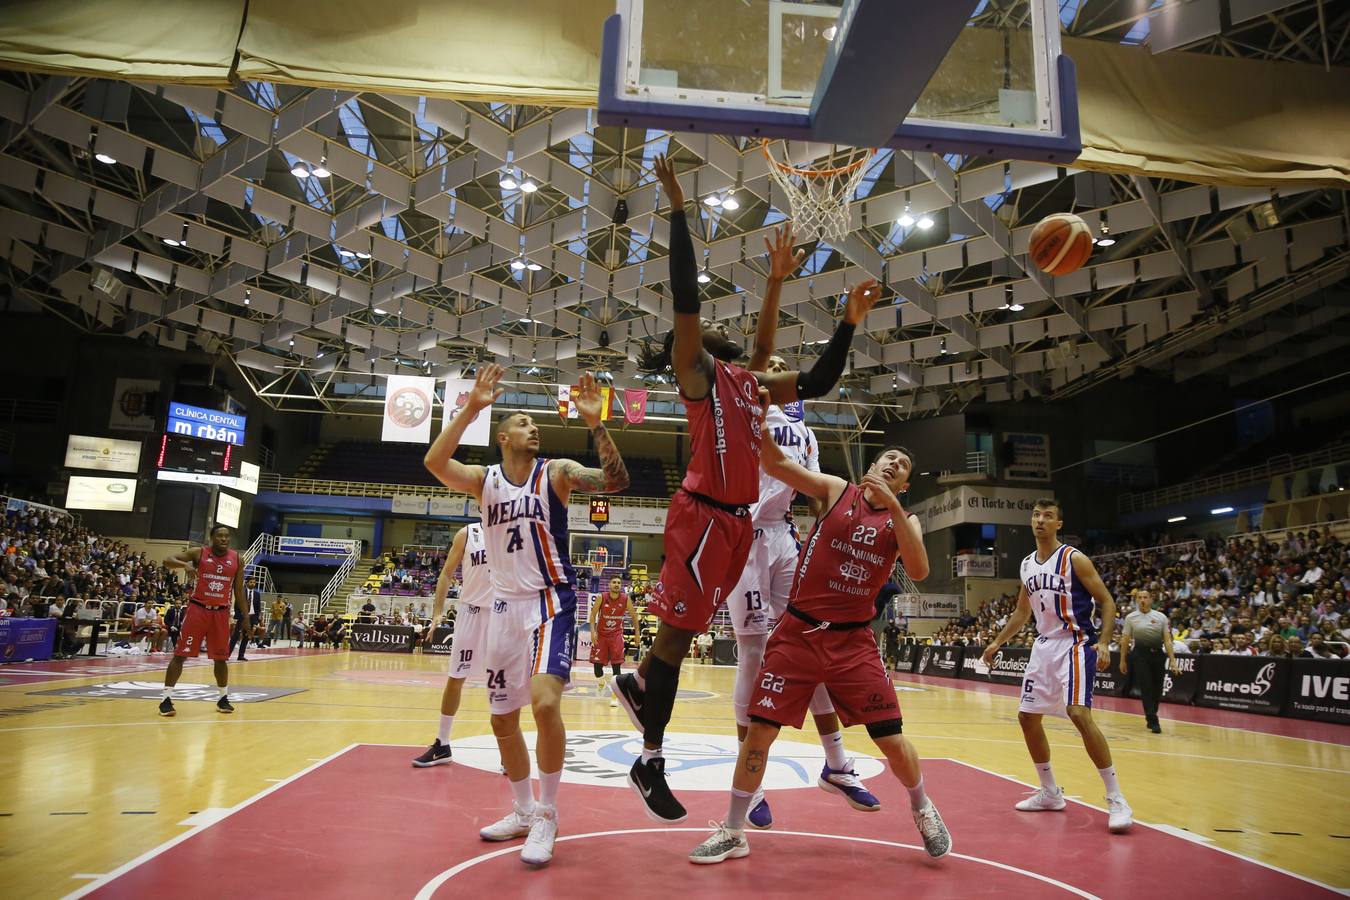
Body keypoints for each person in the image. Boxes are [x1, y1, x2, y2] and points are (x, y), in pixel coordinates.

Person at [612, 154, 881, 824]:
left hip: (736, 528)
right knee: (678, 641)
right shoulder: (695, 374)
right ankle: (648, 760)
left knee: (675, 647)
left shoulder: (748, 382)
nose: (703, 327)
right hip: (706, 519)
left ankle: (638, 685)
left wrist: (835, 315)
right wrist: (677, 209)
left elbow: (813, 381)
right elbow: (685, 298)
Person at [688, 436, 950, 864]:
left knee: (892, 740)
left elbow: (919, 568)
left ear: (904, 485)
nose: (893, 464)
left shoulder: (906, 521)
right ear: (873, 464)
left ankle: (922, 808)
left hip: (853, 641)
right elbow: (776, 465)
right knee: (759, 735)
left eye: (901, 466)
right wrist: (758, 418)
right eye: (889, 458)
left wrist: (896, 509)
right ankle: (734, 830)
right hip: (798, 635)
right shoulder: (835, 490)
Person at [423, 364, 630, 867]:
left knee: (543, 705)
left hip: (550, 601)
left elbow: (617, 482)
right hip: (501, 608)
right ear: (502, 436)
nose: (533, 427)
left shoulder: (556, 471)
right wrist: (471, 405)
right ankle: (521, 809)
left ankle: (548, 814)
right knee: (501, 720)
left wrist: (595, 422)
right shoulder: (483, 480)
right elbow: (434, 461)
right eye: (522, 422)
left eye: (535, 424)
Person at [980, 499, 1132, 833]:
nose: (1040, 520)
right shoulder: (1026, 565)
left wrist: (1105, 641)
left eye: (1048, 516)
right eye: (1036, 515)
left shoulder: (1073, 558)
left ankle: (1116, 798)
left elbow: (1107, 601)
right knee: (1027, 717)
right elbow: (1022, 613)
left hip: (1076, 643)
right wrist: (997, 641)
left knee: (1079, 714)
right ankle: (1049, 792)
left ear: (1058, 524)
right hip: (1044, 646)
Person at [412, 522, 490, 767]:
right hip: (470, 612)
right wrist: (437, 612)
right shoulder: (467, 534)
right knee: (456, 678)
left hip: (501, 614)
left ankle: (508, 750)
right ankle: (442, 744)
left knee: (504, 683)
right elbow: (446, 573)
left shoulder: (514, 532)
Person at [157, 524, 248, 716]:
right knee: (180, 655)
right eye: (220, 536)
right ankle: (166, 699)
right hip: (198, 610)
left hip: (221, 613)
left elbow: (238, 590)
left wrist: (245, 617)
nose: (224, 539)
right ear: (212, 537)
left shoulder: (237, 559)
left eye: (227, 536)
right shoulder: (199, 553)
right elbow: (167, 559)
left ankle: (223, 698)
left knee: (221, 658)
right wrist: (185, 565)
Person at [1119, 589, 1177, 734]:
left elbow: (1167, 640)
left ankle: (1152, 714)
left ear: (1151, 599)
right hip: (1139, 654)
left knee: (1157, 689)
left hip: (1158, 654)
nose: (1142, 600)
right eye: (1139, 597)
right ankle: (1152, 719)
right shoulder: (1131, 618)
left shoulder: (1161, 617)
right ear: (1136, 600)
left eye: (1145, 597)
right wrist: (1122, 660)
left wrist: (1173, 661)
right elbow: (1125, 640)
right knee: (1146, 687)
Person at [589, 575, 637, 708]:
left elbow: (633, 616)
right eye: (614, 582)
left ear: (620, 586)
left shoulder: (626, 599)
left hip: (616, 636)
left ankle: (615, 696)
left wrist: (637, 634)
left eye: (618, 583)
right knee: (597, 668)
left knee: (616, 667)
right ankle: (601, 682)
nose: (616, 584)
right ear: (609, 585)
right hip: (601, 636)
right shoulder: (602, 597)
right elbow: (592, 615)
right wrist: (592, 631)